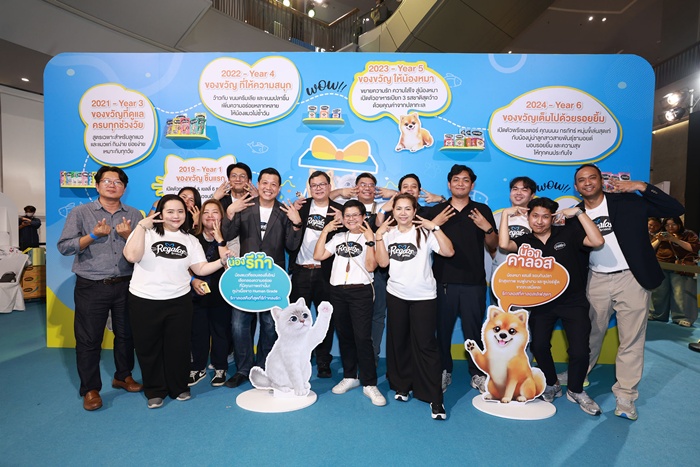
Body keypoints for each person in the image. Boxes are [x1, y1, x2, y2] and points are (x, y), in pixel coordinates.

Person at [573, 163, 684, 420]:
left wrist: (642, 187)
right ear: (576, 187)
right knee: (590, 333)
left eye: (592, 177)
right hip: (595, 280)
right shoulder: (576, 213)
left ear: (601, 181)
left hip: (631, 278)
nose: (587, 182)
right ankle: (580, 375)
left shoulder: (628, 202)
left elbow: (675, 209)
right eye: (582, 180)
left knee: (631, 340)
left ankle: (625, 396)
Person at [499, 197, 604, 415]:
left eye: (545, 216)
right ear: (528, 217)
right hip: (542, 303)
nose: (539, 221)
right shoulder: (525, 241)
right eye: (535, 216)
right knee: (538, 346)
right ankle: (552, 383)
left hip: (573, 302)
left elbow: (597, 241)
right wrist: (506, 215)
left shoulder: (568, 233)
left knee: (579, 350)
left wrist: (579, 213)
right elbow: (503, 245)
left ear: (552, 218)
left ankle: (576, 390)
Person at [123, 194, 228, 409]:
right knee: (148, 347)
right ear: (160, 213)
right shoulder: (145, 232)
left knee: (178, 347)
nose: (176, 216)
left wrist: (221, 261)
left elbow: (200, 268)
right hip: (144, 299)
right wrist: (141, 226)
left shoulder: (189, 239)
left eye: (180, 211)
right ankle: (155, 390)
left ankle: (178, 387)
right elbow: (131, 256)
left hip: (179, 301)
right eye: (170, 211)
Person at [57, 166, 144, 411]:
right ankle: (90, 389)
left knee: (126, 335)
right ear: (97, 186)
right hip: (91, 285)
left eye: (118, 182)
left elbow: (142, 250)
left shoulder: (134, 214)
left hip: (127, 284)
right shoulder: (80, 212)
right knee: (89, 339)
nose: (112, 185)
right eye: (107, 181)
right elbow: (64, 247)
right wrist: (93, 235)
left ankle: (123, 376)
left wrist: (129, 236)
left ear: (124, 188)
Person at [375, 194, 454, 420]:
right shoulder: (388, 234)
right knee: (399, 342)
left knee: (426, 345)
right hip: (396, 295)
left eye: (407, 208)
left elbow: (449, 252)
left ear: (414, 211)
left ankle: (435, 398)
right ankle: (402, 385)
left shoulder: (425, 232)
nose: (403, 213)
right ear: (393, 211)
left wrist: (435, 227)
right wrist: (379, 236)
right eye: (398, 208)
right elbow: (382, 263)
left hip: (424, 297)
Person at [222, 167, 302, 388]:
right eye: (265, 183)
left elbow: (291, 245)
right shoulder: (244, 207)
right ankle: (243, 369)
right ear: (258, 184)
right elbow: (227, 235)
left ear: (278, 188)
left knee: (269, 325)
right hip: (245, 278)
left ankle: (264, 367)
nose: (268, 187)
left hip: (273, 281)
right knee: (239, 325)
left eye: (273, 184)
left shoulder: (284, 212)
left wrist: (296, 223)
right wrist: (230, 213)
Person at [426, 164, 497, 394]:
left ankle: (477, 373)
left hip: (474, 282)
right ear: (449, 184)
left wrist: (487, 228)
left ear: (472, 185)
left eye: (465, 180)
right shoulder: (438, 210)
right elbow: (420, 241)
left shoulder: (481, 210)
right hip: (443, 281)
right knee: (442, 331)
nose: (460, 183)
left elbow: (493, 245)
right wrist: (435, 223)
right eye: (456, 179)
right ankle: (444, 370)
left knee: (473, 332)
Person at [313, 200, 385, 406]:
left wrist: (370, 241)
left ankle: (369, 383)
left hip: (361, 291)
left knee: (362, 337)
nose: (351, 219)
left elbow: (371, 267)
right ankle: (350, 376)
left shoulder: (371, 237)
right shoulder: (338, 237)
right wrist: (325, 231)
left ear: (363, 217)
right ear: (342, 219)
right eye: (347, 216)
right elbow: (318, 255)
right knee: (345, 336)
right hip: (337, 291)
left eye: (355, 215)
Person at [331, 173, 394, 363]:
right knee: (348, 318)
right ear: (355, 187)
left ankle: (372, 355)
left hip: (378, 269)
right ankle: (353, 359)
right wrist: (340, 191)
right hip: (351, 274)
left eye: (371, 185)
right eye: (362, 184)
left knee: (377, 315)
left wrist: (393, 193)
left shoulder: (384, 207)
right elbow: (323, 198)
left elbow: (409, 199)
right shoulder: (345, 208)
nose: (367, 188)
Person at [288, 170, 343, 378]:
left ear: (329, 186)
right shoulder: (301, 207)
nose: (318, 188)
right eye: (314, 185)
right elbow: (290, 237)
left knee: (324, 319)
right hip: (301, 271)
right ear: (309, 188)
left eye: (322, 184)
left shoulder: (339, 210)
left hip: (326, 273)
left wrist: (343, 222)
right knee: (296, 319)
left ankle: (323, 360)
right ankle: (296, 358)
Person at [188, 199, 232, 387]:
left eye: (215, 212)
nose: (210, 216)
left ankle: (220, 367)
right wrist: (193, 280)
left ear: (221, 216)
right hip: (195, 294)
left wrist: (220, 239)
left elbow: (229, 265)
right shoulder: (191, 237)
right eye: (206, 212)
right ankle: (198, 368)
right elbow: (182, 265)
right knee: (198, 333)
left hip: (221, 294)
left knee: (221, 332)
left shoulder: (229, 237)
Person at [489, 177, 537, 303]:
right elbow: (491, 243)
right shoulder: (497, 217)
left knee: (525, 313)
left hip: (529, 278)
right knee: (500, 313)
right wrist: (498, 257)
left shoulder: (537, 220)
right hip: (501, 276)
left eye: (524, 190)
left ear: (532, 195)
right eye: (515, 189)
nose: (518, 193)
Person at [649, 217, 699, 326]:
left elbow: (693, 248)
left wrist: (675, 240)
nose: (670, 227)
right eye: (667, 225)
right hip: (661, 266)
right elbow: (649, 249)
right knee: (659, 293)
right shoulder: (660, 235)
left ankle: (683, 318)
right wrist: (659, 239)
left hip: (681, 268)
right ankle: (657, 314)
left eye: (673, 224)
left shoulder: (688, 234)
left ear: (679, 224)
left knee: (681, 294)